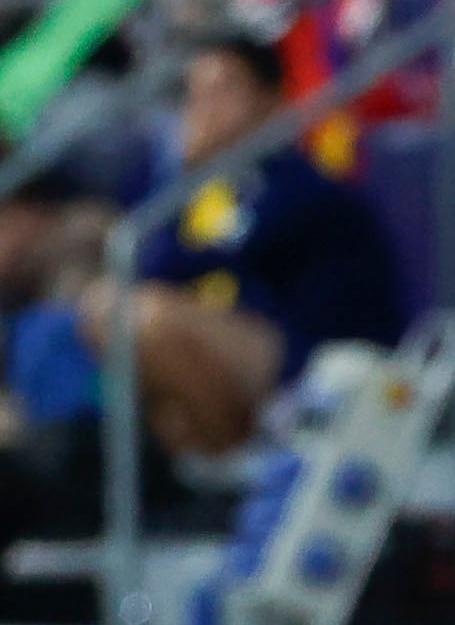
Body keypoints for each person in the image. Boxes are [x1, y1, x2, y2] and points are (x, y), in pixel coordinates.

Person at [91, 33, 406, 458]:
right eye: (196, 94)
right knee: (103, 310)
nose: (205, 109)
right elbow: (148, 265)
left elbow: (204, 258)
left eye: (224, 90)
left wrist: (189, 172)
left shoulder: (299, 181)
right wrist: (184, 178)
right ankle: (195, 460)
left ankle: (232, 459)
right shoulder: (220, 186)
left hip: (330, 354)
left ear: (272, 100)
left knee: (149, 319)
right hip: (258, 343)